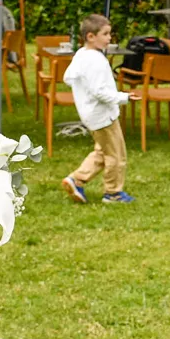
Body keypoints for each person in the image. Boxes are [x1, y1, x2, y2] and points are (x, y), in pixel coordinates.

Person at [61, 14, 135, 204]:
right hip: (102, 116)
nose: (109, 38)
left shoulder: (81, 55)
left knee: (103, 152)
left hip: (91, 115)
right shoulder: (96, 61)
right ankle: (113, 193)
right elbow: (99, 92)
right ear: (90, 37)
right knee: (116, 156)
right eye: (105, 34)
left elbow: (68, 77)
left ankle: (76, 180)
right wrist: (124, 97)